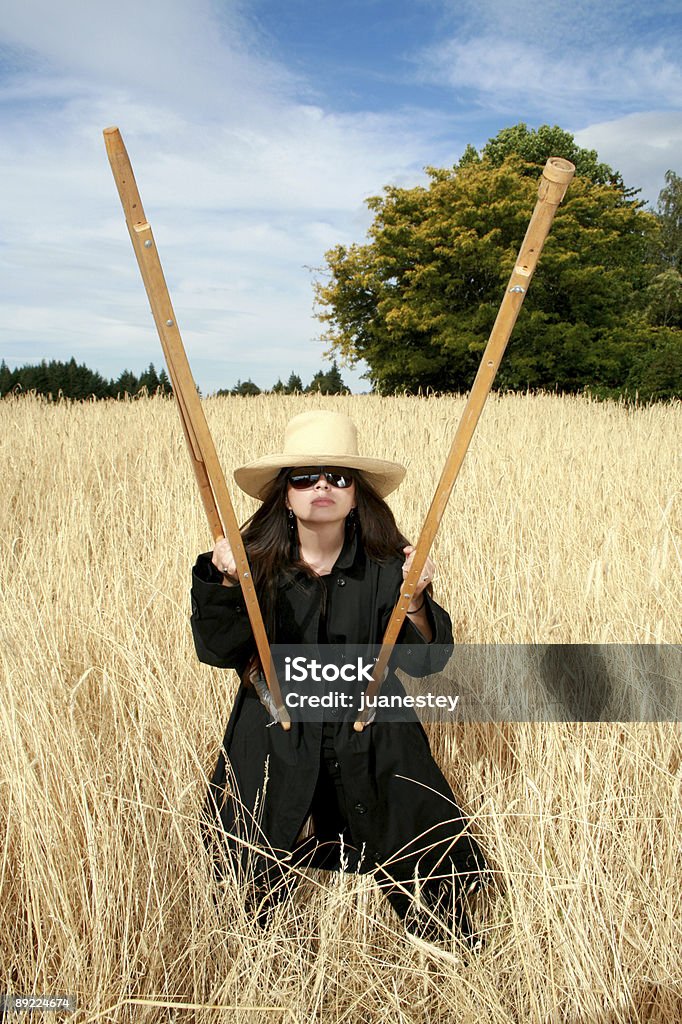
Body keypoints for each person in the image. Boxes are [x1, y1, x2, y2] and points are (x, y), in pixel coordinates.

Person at [191, 410, 487, 945]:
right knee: (250, 864)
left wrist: (414, 598)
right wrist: (225, 582)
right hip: (275, 731)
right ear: (285, 495)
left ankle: (449, 951)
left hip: (373, 734)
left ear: (355, 496)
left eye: (337, 476)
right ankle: (263, 955)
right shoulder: (249, 564)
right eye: (305, 477)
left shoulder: (385, 568)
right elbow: (217, 647)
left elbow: (427, 661)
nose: (321, 486)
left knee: (426, 862)